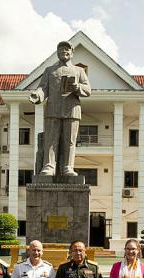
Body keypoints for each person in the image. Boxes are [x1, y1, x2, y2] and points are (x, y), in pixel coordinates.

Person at [28, 40, 91, 176]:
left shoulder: (79, 71)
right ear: (57, 53)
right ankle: (49, 166)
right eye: (61, 49)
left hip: (72, 110)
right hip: (53, 110)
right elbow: (43, 88)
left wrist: (77, 87)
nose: (64, 51)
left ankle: (68, 167)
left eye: (67, 49)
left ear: (72, 53)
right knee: (50, 140)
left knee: (69, 141)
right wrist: (37, 95)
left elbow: (88, 89)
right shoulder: (49, 71)